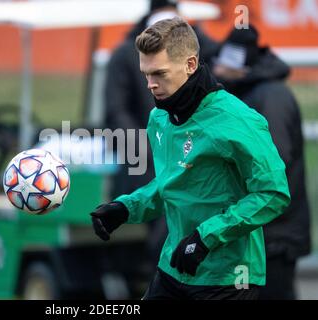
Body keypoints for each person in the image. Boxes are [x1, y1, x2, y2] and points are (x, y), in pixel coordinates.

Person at [91, 18, 291, 300]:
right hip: (173, 267)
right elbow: (173, 183)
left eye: (159, 73)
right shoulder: (160, 117)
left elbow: (273, 193)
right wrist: (125, 208)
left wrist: (205, 237)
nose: (150, 84)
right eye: (145, 74)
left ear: (190, 65)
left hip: (229, 278)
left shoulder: (237, 121)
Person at [104, 0, 220, 271]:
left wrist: (191, 33)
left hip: (190, 150)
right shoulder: (124, 56)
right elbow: (116, 112)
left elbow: (215, 58)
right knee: (167, 203)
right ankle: (164, 267)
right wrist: (150, 146)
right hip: (144, 157)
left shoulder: (194, 51)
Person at [212, 25, 311, 300]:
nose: (216, 71)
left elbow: (271, 166)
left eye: (221, 63)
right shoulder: (254, 93)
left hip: (274, 235)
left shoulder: (270, 97)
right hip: (264, 230)